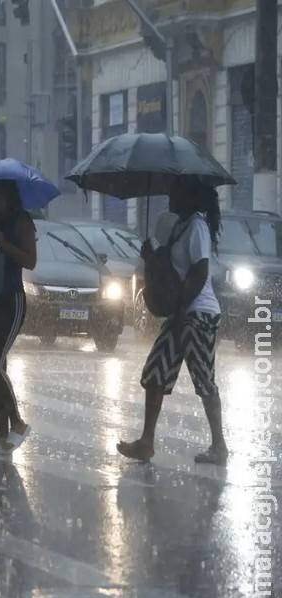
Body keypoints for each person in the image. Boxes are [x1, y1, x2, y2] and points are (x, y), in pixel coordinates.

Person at [117, 179, 227, 466]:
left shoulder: (197, 226)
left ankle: (219, 447)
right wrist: (151, 256)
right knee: (156, 372)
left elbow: (200, 272)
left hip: (198, 314)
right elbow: (172, 269)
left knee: (203, 378)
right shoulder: (181, 226)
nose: (169, 196)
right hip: (181, 313)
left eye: (175, 191)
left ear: (189, 195)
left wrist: (180, 310)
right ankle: (146, 443)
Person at [0, 180, 37, 457]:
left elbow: (30, 260)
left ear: (6, 193)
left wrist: (3, 243)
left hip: (11, 300)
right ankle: (3, 438)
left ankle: (18, 422)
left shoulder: (22, 221)